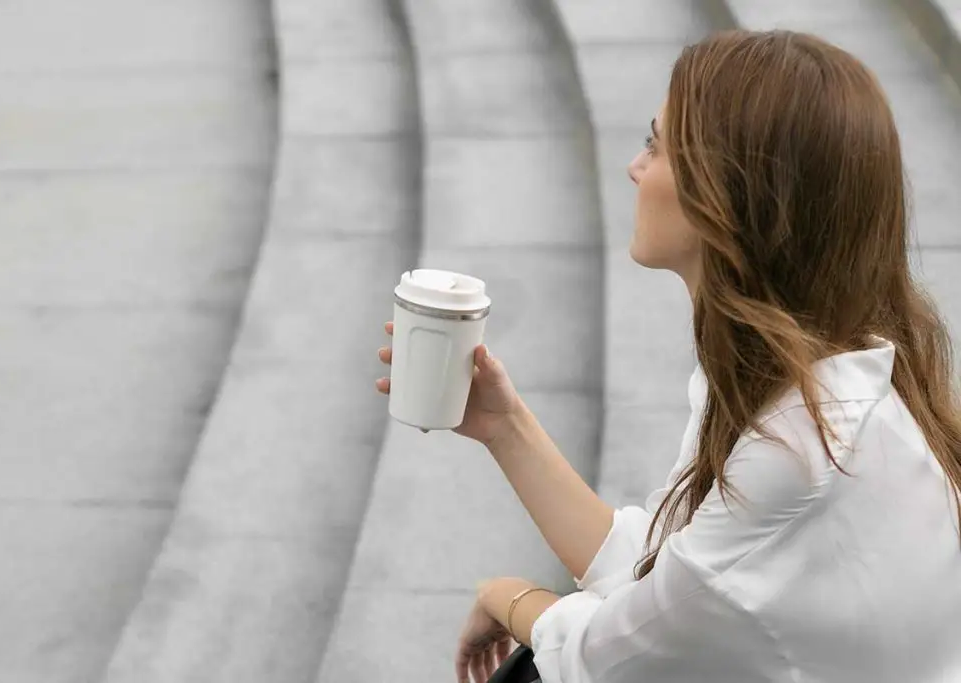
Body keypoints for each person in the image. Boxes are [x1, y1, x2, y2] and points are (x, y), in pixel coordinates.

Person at [375, 29, 961, 683]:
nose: (634, 166)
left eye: (656, 145)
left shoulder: (802, 446)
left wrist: (506, 595)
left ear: (729, 197)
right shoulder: (796, 377)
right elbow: (662, 573)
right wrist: (502, 424)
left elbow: (607, 653)